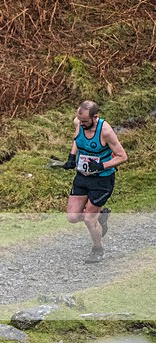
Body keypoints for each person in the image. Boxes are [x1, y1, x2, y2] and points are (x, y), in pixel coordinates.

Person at [62, 100, 128, 263]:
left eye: (85, 121)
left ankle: (98, 249)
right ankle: (101, 216)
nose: (81, 123)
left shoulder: (105, 131)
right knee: (72, 217)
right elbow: (78, 139)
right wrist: (71, 157)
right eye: (80, 120)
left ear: (95, 117)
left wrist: (101, 165)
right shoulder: (79, 122)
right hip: (82, 176)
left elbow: (122, 156)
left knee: (88, 218)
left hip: (102, 180)